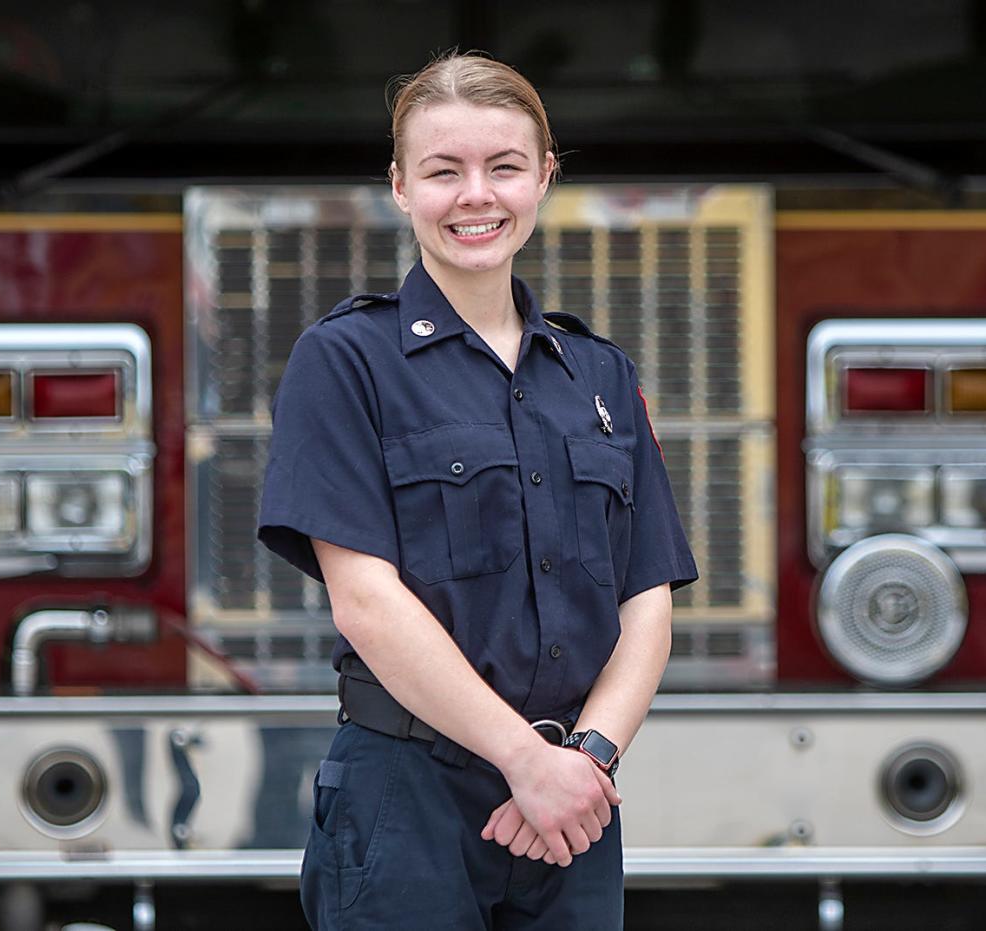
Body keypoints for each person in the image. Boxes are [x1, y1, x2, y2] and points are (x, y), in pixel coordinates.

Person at [258, 51, 696, 930]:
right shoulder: (346, 360)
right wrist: (524, 762)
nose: (475, 196)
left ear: (544, 176)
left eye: (503, 167)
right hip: (404, 799)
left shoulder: (601, 374)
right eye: (443, 171)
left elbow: (645, 600)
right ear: (399, 186)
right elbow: (367, 603)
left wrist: (585, 761)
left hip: (575, 804)